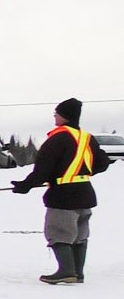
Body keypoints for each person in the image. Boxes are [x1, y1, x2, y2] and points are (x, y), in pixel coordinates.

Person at [10, 98, 110, 284]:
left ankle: (66, 271)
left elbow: (43, 169)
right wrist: (80, 173)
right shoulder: (87, 138)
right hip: (85, 192)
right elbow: (103, 163)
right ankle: (77, 272)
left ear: (64, 116)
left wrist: (25, 185)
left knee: (59, 232)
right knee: (80, 234)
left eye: (56, 112)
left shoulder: (58, 138)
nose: (54, 116)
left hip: (63, 196)